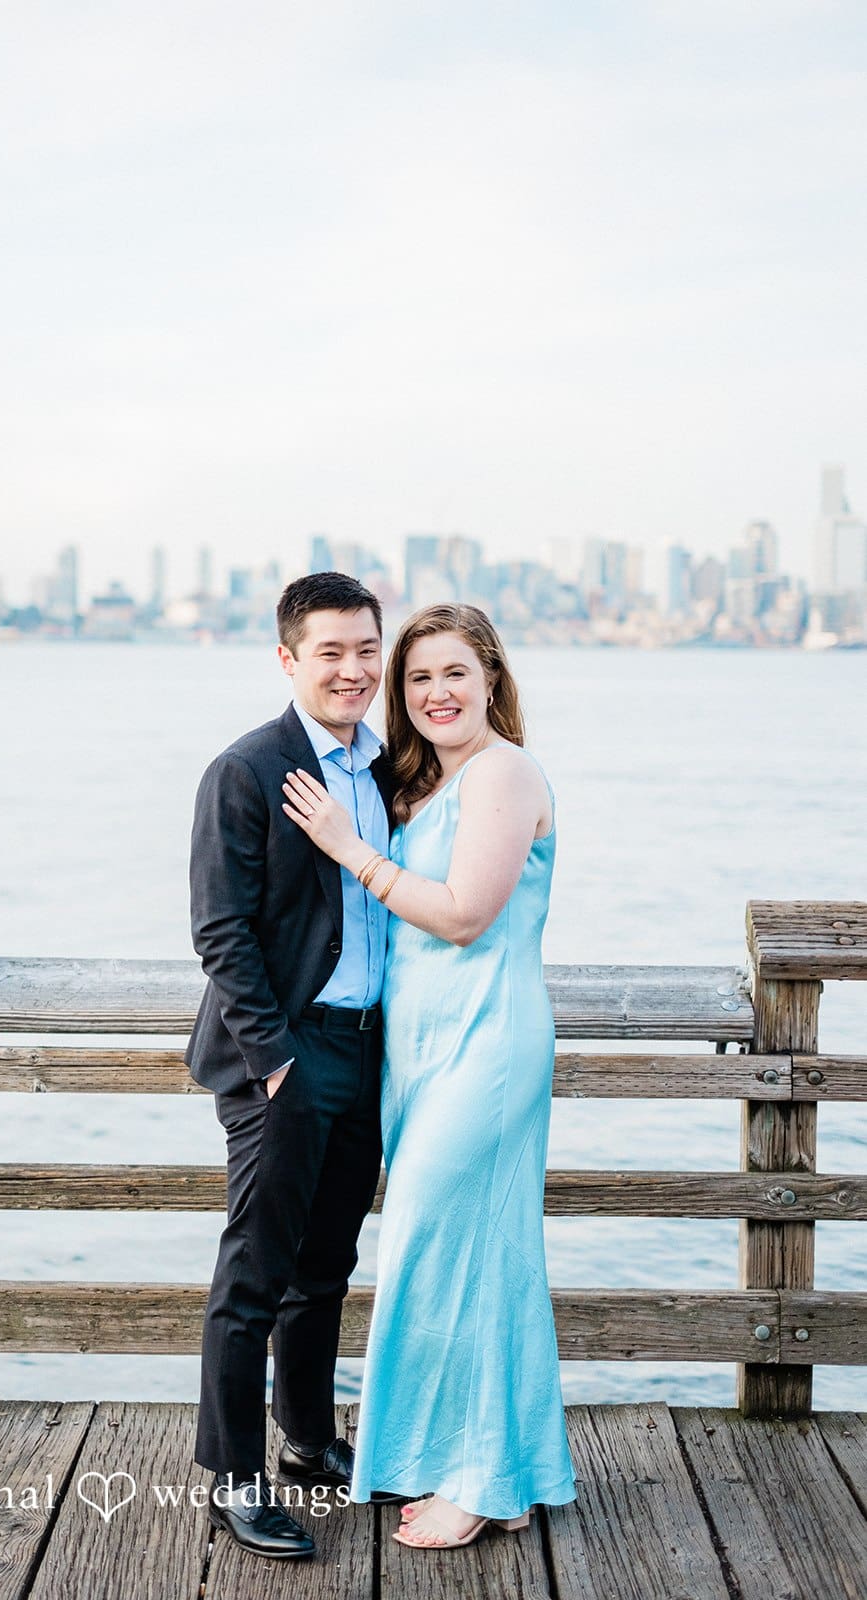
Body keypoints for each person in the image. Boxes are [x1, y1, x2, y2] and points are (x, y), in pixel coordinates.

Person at [282, 601, 578, 1551]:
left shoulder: (501, 773)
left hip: (485, 1052)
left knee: (446, 1251)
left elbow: (460, 916)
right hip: (424, 1055)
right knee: (464, 1254)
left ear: (491, 676)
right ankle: (480, 1464)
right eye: (417, 678)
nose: (435, 692)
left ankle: (482, 1481)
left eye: (454, 672)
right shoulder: (424, 785)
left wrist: (348, 848)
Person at [185, 570, 400, 1563]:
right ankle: (235, 1477)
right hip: (283, 1052)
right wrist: (273, 1065)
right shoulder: (247, 769)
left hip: (365, 1044)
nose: (352, 669)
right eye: (330, 651)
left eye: (366, 650)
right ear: (287, 658)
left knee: (326, 1265)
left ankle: (307, 1438)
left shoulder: (388, 768)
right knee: (256, 1272)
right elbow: (219, 930)